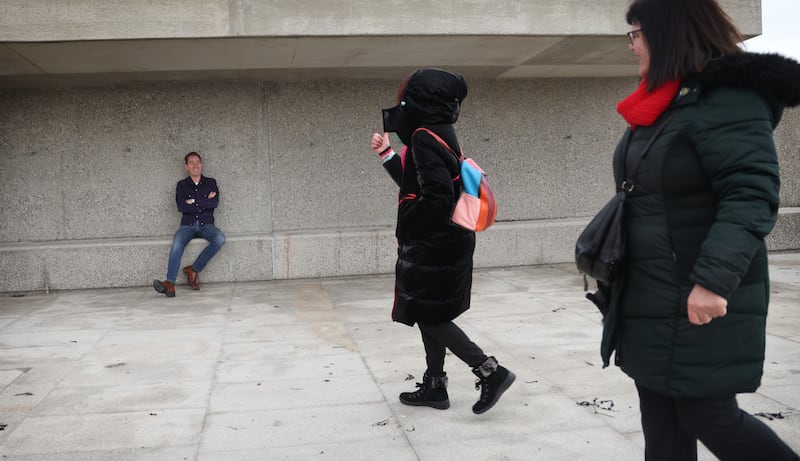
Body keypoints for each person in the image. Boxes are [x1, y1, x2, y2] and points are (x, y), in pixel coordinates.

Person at [589, 0, 800, 459]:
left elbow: (750, 195)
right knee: (661, 422)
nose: (631, 46)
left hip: (695, 295)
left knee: (707, 414)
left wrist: (712, 281)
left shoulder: (728, 100)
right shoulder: (666, 102)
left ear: (667, 33)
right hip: (649, 294)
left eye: (636, 34)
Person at [370, 68, 515, 414]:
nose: (400, 102)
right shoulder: (440, 131)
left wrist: (408, 225)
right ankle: (435, 385)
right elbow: (416, 184)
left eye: (406, 96)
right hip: (448, 239)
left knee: (427, 313)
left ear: (419, 99)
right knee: (428, 310)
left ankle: (490, 371)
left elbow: (434, 196)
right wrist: (388, 155)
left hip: (434, 243)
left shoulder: (422, 135)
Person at [153, 151, 225, 297]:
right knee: (177, 244)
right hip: (188, 225)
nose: (195, 165)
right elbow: (182, 207)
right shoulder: (182, 185)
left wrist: (193, 201)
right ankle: (169, 284)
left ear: (201, 164)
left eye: (197, 161)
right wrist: (204, 201)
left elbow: (214, 203)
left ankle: (194, 269)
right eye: (191, 163)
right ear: (186, 166)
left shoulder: (211, 182)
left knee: (220, 238)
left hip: (206, 224)